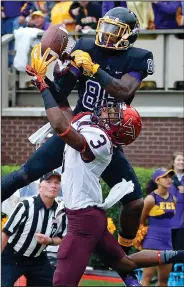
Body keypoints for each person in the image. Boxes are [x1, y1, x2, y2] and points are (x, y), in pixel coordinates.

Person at [2, 7, 155, 254]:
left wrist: (94, 69)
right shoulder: (86, 46)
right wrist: (42, 78)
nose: (106, 34)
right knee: (25, 174)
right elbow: (61, 93)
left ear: (129, 36)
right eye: (105, 27)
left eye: (114, 31)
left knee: (135, 203)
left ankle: (125, 250)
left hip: (107, 137)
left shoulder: (138, 57)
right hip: (79, 128)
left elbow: (124, 91)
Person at [24, 64, 184, 287]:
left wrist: (42, 88)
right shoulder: (94, 125)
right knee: (125, 264)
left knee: (61, 282)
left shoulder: (100, 144)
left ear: (118, 129)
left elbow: (60, 126)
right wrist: (44, 81)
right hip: (90, 216)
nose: (109, 111)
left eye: (116, 116)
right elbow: (64, 110)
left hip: (83, 222)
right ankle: (180, 254)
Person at [1, 171, 66, 287]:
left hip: (38, 258)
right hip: (13, 257)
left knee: (53, 283)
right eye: (49, 182)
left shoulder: (60, 211)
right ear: (40, 186)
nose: (53, 185)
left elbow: (61, 237)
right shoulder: (25, 205)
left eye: (56, 183)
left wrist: (49, 241)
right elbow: (6, 232)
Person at [139, 169, 176, 286]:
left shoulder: (173, 199)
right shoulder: (150, 199)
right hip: (152, 241)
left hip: (168, 242)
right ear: (157, 180)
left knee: (164, 280)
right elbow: (141, 220)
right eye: (165, 177)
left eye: (170, 177)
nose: (169, 179)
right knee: (147, 278)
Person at [168, 151, 184, 250]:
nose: (181, 162)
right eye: (178, 160)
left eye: (183, 160)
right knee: (168, 252)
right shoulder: (166, 177)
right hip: (168, 219)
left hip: (182, 220)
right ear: (173, 162)